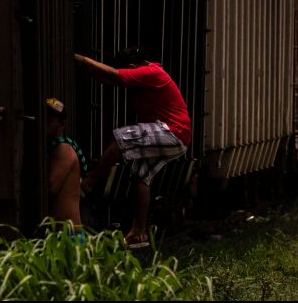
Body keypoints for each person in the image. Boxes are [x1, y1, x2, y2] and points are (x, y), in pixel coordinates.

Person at [75, 47, 190, 250]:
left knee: (120, 138)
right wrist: (87, 69)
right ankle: (138, 232)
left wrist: (83, 59)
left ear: (132, 67)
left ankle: (88, 183)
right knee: (141, 177)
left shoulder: (152, 72)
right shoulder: (146, 75)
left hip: (172, 132)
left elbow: (115, 75)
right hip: (177, 136)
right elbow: (110, 79)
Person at [45, 98, 88, 229]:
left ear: (62, 125)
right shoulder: (55, 147)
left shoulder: (63, 149)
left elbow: (49, 189)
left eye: (48, 121)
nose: (43, 124)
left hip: (68, 237)